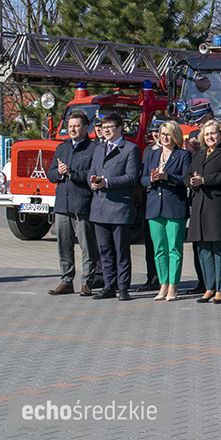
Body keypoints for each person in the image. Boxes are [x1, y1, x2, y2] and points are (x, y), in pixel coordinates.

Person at [87, 113, 142, 301]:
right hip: (100, 207)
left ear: (120, 128)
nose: (106, 130)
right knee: (104, 251)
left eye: (110, 126)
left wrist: (107, 182)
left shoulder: (130, 149)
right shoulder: (98, 149)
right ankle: (109, 286)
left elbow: (132, 176)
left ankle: (123, 287)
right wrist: (93, 182)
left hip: (119, 208)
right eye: (103, 127)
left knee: (121, 250)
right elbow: (92, 172)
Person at [184, 120, 221, 304]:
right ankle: (209, 287)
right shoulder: (198, 154)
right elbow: (188, 174)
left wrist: (205, 180)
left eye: (213, 133)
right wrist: (191, 181)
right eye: (206, 134)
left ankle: (220, 289)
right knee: (203, 250)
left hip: (217, 207)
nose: (210, 137)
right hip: (200, 206)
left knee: (219, 249)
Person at [46, 110, 100, 297]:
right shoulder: (62, 148)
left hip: (82, 204)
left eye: (76, 126)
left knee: (87, 245)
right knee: (64, 245)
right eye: (70, 126)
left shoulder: (93, 148)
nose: (73, 129)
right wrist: (59, 173)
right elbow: (51, 174)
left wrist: (71, 174)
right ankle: (66, 281)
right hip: (62, 204)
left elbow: (90, 176)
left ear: (86, 128)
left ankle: (87, 282)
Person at [141, 120, 192, 302]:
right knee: (159, 248)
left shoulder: (183, 155)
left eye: (168, 134)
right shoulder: (152, 154)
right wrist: (152, 179)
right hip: (155, 206)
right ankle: (162, 284)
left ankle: (173, 285)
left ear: (176, 135)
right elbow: (142, 178)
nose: (165, 138)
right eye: (162, 134)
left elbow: (185, 179)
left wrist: (167, 177)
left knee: (174, 248)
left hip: (174, 206)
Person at [183, 101, 214, 295]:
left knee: (212, 242)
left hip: (211, 196)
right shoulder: (194, 136)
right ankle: (201, 281)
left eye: (201, 120)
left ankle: (214, 282)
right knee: (197, 242)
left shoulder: (220, 134)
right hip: (195, 194)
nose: (199, 125)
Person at [137, 119, 163, 292]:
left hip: (165, 201)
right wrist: (149, 180)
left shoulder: (172, 149)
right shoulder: (148, 150)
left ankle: (164, 279)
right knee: (150, 244)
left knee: (164, 245)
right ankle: (151, 277)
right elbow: (143, 176)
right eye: (153, 131)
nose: (155, 134)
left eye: (158, 131)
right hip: (150, 199)